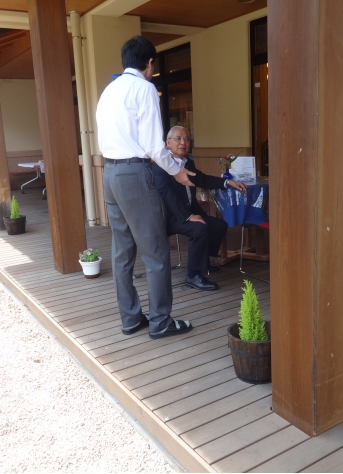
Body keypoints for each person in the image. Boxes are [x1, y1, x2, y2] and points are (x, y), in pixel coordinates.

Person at [95, 36, 196, 340]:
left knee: (122, 252)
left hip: (110, 173)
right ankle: (161, 322)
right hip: (135, 174)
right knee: (156, 253)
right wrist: (178, 171)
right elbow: (154, 145)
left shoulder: (109, 91)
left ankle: (130, 319)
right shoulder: (145, 88)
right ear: (150, 63)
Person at [152, 126, 248, 291]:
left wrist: (227, 182)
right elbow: (166, 194)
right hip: (169, 216)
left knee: (219, 225)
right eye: (178, 138)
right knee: (199, 229)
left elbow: (203, 179)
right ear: (168, 142)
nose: (183, 143)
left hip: (189, 212)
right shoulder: (161, 165)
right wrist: (188, 217)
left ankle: (203, 263)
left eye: (187, 139)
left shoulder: (187, 163)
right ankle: (192, 275)